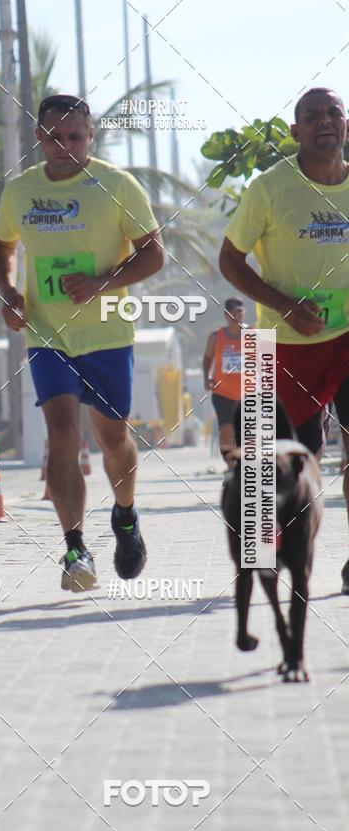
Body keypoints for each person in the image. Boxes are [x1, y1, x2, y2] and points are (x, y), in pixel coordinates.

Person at [0, 94, 163, 591]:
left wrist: (101, 283)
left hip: (107, 332)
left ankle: (125, 516)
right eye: (53, 136)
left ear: (91, 137)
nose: (64, 145)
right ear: (38, 137)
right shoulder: (21, 191)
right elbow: (0, 243)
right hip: (47, 334)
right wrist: (11, 293)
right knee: (62, 434)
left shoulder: (116, 185)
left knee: (112, 439)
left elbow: (154, 255)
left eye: (75, 136)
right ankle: (74, 549)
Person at [219, 87, 349, 593]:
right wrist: (285, 305)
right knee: (283, 457)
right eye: (311, 115)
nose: (325, 121)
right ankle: (263, 557)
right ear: (294, 132)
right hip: (280, 343)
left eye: (333, 113)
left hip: (345, 338)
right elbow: (230, 261)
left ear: (346, 125)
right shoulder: (269, 188)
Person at [202, 298, 245, 463]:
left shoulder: (253, 335)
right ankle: (230, 467)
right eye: (233, 312)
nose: (237, 315)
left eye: (240, 311)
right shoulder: (216, 337)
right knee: (226, 430)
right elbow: (207, 358)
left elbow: (265, 360)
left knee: (246, 431)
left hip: (247, 392)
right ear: (226, 315)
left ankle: (244, 465)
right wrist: (206, 377)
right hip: (222, 392)